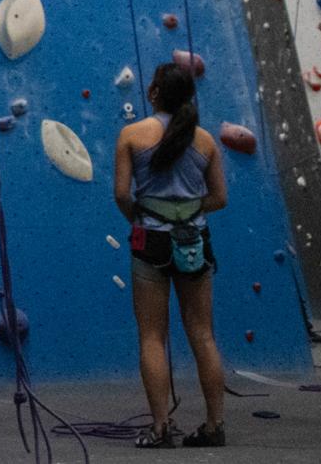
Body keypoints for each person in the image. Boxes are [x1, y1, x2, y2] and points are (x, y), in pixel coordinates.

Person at [113, 62, 229, 448]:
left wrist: (145, 219)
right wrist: (186, 214)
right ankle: (214, 426)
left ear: (153, 93)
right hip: (194, 239)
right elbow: (219, 198)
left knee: (151, 336)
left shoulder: (131, 134)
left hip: (150, 240)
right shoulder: (206, 141)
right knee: (203, 334)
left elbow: (122, 194)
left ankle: (160, 427)